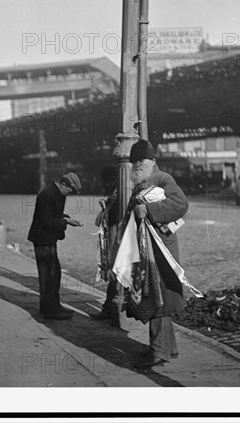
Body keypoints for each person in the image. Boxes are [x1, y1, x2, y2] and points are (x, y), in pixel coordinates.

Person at [126, 139, 189, 369]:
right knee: (156, 296)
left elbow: (180, 204)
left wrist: (148, 210)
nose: (136, 166)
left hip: (161, 252)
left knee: (159, 298)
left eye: (139, 161)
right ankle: (167, 348)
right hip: (148, 250)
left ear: (151, 161)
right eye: (134, 162)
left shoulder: (163, 179)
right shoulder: (143, 181)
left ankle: (159, 350)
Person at [27, 172, 84, 320]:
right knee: (48, 275)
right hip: (42, 240)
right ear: (63, 184)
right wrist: (67, 222)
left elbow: (53, 214)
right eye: (69, 191)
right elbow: (46, 220)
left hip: (48, 239)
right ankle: (48, 311)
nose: (69, 195)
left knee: (55, 272)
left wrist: (65, 217)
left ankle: (55, 305)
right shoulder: (47, 194)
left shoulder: (57, 194)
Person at [90, 164, 127, 328]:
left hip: (116, 242)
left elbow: (113, 219)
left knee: (116, 274)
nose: (103, 184)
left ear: (113, 180)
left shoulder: (120, 196)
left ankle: (113, 311)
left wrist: (106, 209)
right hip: (111, 242)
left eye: (105, 181)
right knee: (113, 274)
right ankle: (108, 309)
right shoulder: (115, 195)